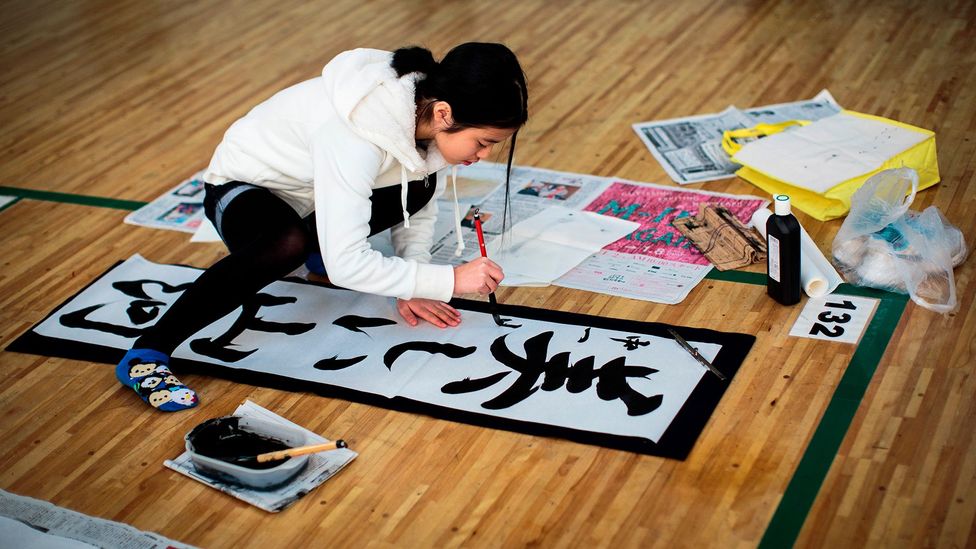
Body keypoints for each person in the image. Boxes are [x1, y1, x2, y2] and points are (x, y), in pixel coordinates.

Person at [115, 43, 529, 411]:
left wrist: (416, 280)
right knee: (286, 245)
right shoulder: (356, 134)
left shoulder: (427, 113)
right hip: (243, 190)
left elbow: (413, 204)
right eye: (484, 141)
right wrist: (451, 279)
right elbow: (349, 266)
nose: (485, 154)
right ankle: (149, 350)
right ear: (444, 113)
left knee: (419, 187)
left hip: (311, 196)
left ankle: (316, 248)